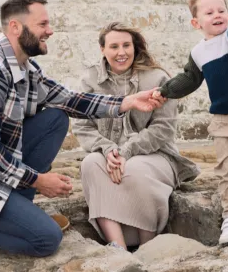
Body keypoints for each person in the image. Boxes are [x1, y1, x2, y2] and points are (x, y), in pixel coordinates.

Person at [0, 0, 161, 265]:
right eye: (42, 24)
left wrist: (127, 102)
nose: (50, 31)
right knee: (46, 239)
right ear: (15, 27)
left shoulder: (25, 68)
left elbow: (69, 100)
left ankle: (20, 212)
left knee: (55, 118)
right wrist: (38, 181)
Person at [155, 0, 228, 246]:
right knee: (227, 171)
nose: (216, 15)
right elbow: (189, 79)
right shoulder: (198, 52)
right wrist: (164, 91)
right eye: (209, 13)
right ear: (196, 23)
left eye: (221, 11)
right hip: (222, 121)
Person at [74, 23, 199, 250]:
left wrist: (126, 151)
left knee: (134, 168)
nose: (121, 52)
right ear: (102, 49)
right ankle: (117, 247)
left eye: (126, 45)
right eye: (114, 46)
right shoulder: (89, 79)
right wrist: (108, 149)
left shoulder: (157, 78)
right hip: (108, 152)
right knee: (90, 163)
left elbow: (163, 129)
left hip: (155, 155)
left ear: (134, 47)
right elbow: (82, 125)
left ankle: (147, 245)